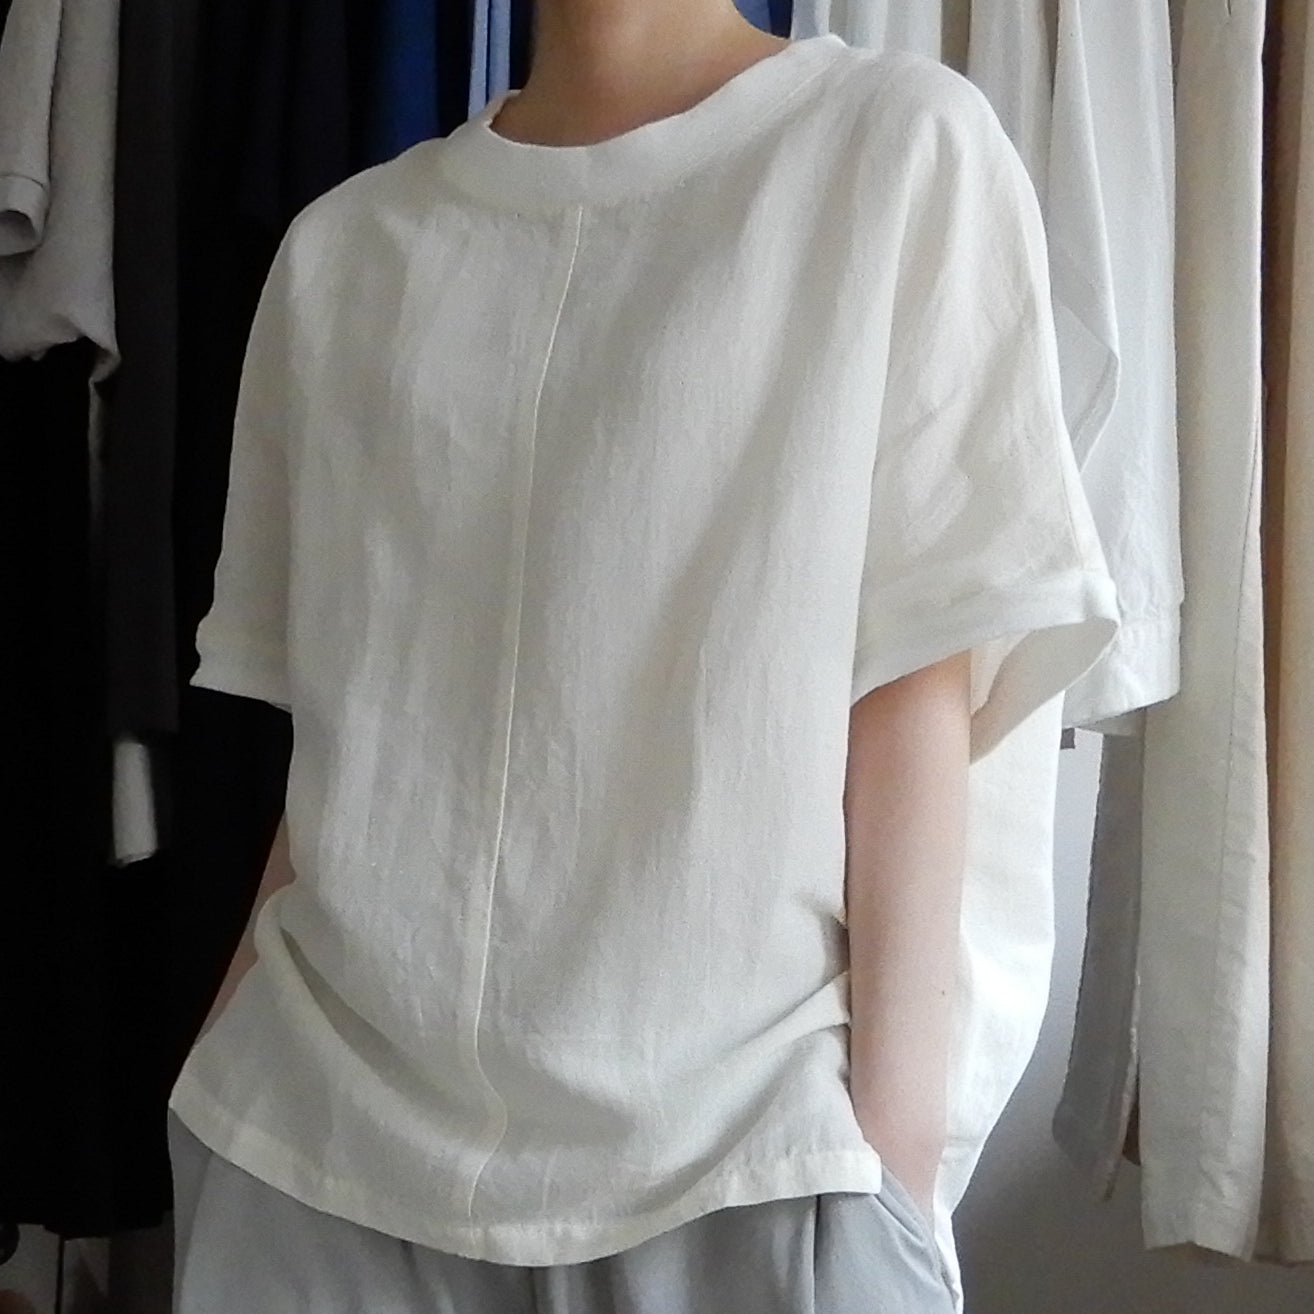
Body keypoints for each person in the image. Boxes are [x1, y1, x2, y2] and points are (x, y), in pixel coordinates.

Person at [166, 2, 1121, 1310]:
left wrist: (887, 1176)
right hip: (308, 1154)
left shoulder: (892, 151)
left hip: (748, 1168)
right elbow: (345, 734)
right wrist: (219, 1082)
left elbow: (912, 691)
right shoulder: (344, 250)